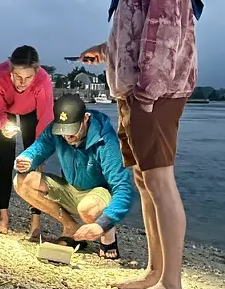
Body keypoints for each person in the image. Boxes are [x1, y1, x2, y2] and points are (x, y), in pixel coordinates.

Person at [79, 0, 197, 289]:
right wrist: (106, 50)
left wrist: (147, 91)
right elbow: (138, 28)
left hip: (155, 93)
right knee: (146, 182)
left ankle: (173, 286)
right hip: (136, 93)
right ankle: (155, 271)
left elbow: (163, 28)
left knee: (160, 180)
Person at [14, 94, 135, 257]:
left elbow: (123, 189)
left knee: (87, 208)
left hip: (97, 192)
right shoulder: (57, 131)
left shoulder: (105, 141)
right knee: (21, 181)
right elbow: (39, 148)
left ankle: (109, 238)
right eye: (62, 131)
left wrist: (103, 223)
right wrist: (27, 159)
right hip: (70, 187)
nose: (67, 136)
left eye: (72, 130)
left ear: (85, 118)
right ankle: (71, 227)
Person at [0, 46, 54, 238]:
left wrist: (39, 151)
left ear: (36, 74)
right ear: (10, 69)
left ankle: (35, 223)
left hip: (31, 113)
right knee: (6, 159)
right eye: (17, 76)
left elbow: (45, 119)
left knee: (34, 164)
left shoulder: (43, 81)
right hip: (4, 111)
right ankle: (3, 218)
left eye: (28, 78)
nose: (22, 83)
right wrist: (3, 126)